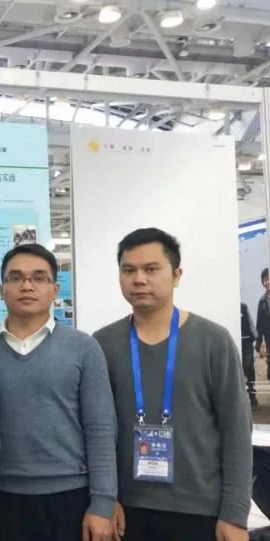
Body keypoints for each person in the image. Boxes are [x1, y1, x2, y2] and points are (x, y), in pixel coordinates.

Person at [0, 243, 117, 541]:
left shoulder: (84, 348)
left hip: (69, 496)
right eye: (15, 278)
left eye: (39, 277)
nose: (27, 285)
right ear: (1, 290)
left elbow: (101, 428)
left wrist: (103, 502)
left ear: (55, 290)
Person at [93, 228, 253, 541]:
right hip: (126, 510)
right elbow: (98, 432)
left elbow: (236, 430)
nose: (139, 279)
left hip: (200, 509)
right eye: (129, 270)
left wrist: (235, 514)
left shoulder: (213, 341)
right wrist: (105, 498)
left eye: (151, 269)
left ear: (176, 275)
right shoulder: (102, 344)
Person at [242, 302, 260, 408]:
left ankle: (252, 397)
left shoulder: (244, 307)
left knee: (249, 371)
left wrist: (256, 338)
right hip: (238, 342)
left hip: (247, 343)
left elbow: (250, 323)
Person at [257, 268, 270, 375]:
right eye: (264, 280)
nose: (266, 282)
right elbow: (259, 325)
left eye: (268, 279)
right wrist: (259, 343)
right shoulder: (262, 302)